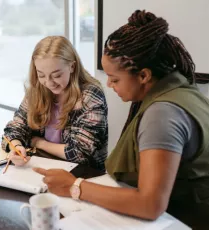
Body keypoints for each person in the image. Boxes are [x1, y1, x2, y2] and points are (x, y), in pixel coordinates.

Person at [34, 10, 209, 223]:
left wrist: (75, 185)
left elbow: (149, 204)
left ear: (144, 75)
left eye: (114, 79)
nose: (108, 84)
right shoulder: (180, 89)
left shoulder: (163, 114)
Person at [2, 36, 108, 171]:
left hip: (83, 174)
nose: (49, 83)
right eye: (41, 75)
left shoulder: (90, 95)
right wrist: (16, 147)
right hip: (41, 166)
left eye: (56, 75)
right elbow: (14, 129)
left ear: (72, 67)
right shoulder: (37, 88)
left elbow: (82, 153)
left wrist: (39, 143)